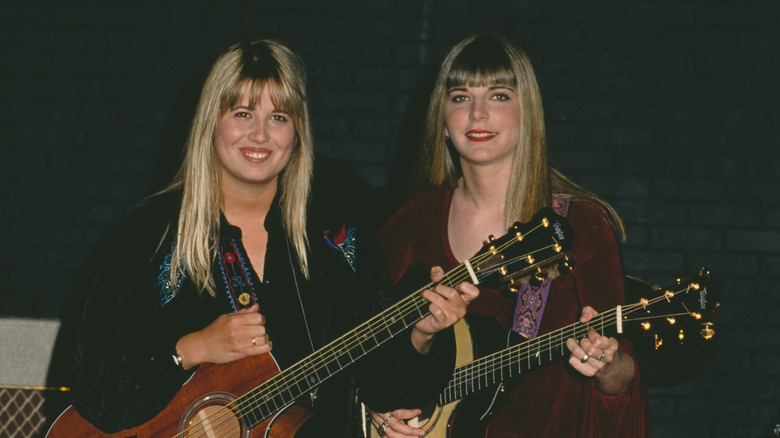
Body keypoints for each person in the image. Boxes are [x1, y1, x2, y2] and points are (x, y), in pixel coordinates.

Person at [65, 39, 477, 437]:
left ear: (297, 132)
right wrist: (191, 349)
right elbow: (93, 388)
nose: (260, 135)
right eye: (242, 113)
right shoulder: (149, 236)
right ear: (211, 122)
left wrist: (421, 335)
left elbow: (384, 391)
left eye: (279, 117)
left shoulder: (338, 240)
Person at [369, 34, 649, 437]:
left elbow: (622, 375)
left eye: (498, 96)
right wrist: (377, 402)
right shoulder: (419, 217)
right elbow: (351, 330)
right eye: (461, 97)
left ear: (527, 114)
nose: (477, 114)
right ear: (443, 121)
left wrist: (608, 365)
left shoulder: (581, 224)